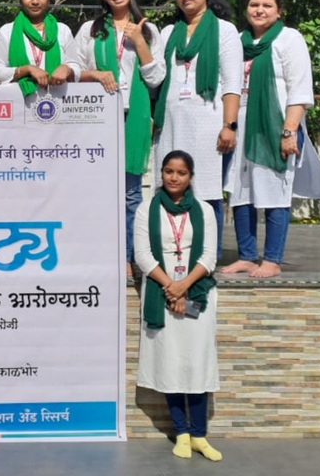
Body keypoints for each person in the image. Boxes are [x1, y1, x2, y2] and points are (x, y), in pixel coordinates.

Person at [220, 0, 320, 278]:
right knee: (240, 191)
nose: (259, 10)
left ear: (279, 11)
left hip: (275, 127)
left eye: (267, 5)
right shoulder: (238, 41)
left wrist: (289, 131)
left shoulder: (289, 39)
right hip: (241, 125)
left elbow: (300, 90)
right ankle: (246, 256)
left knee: (275, 191)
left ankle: (272, 259)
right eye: (254, 4)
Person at [73, 0, 166, 277]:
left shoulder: (149, 30)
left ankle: (127, 257)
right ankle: (97, 254)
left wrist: (139, 42)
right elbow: (73, 68)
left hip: (133, 116)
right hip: (97, 117)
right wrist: (96, 74)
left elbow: (156, 78)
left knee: (130, 194)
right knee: (96, 191)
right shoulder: (90, 29)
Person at [134, 150, 221, 462]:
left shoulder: (205, 211)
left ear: (190, 177)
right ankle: (181, 433)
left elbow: (209, 256)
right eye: (168, 171)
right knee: (170, 362)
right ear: (161, 173)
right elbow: (143, 255)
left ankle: (199, 435)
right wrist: (171, 287)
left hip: (197, 290)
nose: (174, 177)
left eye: (181, 173)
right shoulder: (147, 209)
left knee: (197, 362)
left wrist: (183, 287)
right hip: (160, 291)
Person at [153, 0, 241, 258]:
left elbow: (232, 83)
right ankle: (172, 254)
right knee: (170, 188)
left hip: (208, 123)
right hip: (171, 122)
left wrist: (229, 125)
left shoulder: (225, 31)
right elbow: (157, 78)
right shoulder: (168, 33)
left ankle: (207, 258)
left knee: (205, 191)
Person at [0, 0, 79, 93]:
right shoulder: (7, 32)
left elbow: (76, 67)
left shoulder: (62, 31)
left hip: (57, 100)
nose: (35, 1)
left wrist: (67, 69)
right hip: (19, 101)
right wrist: (25, 70)